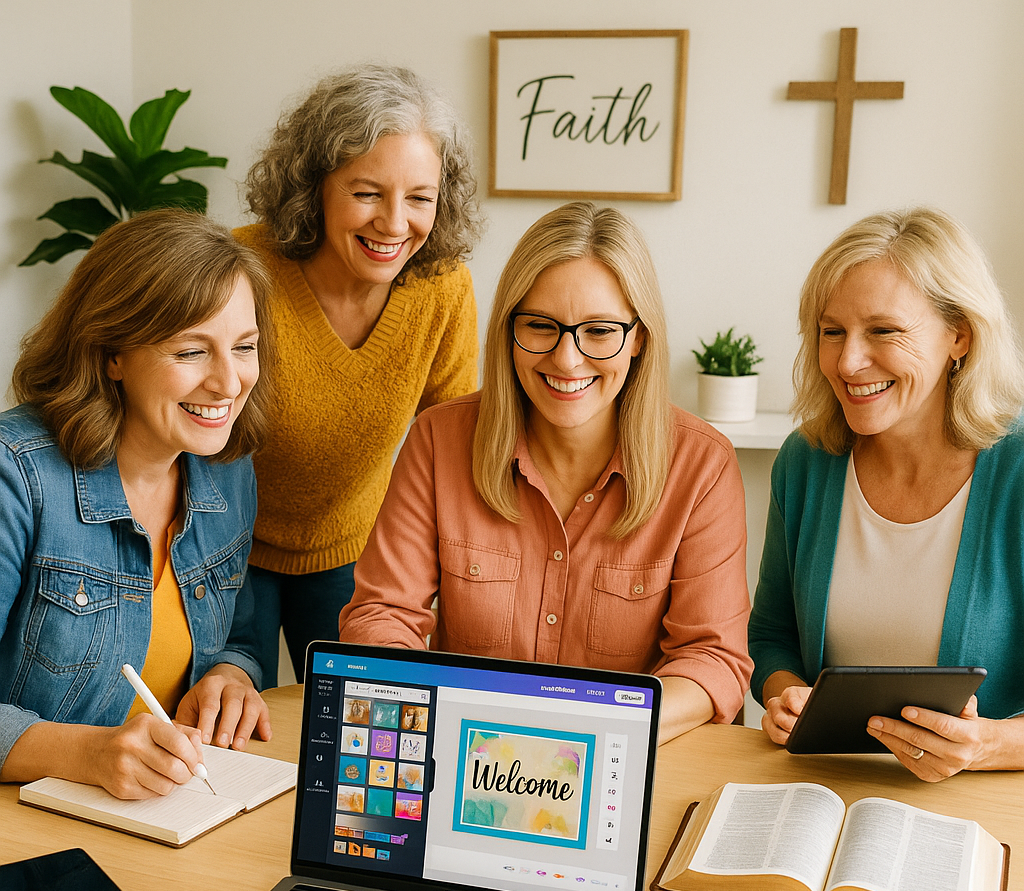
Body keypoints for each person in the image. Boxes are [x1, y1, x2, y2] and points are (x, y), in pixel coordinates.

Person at [339, 202, 752, 743]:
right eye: (540, 326)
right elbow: (382, 616)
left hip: (624, 762)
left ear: (639, 338)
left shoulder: (702, 465)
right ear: (509, 331)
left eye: (599, 332)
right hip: (470, 755)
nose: (567, 359)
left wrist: (588, 734)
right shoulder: (439, 441)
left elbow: (712, 661)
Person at [0, 210, 276, 799]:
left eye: (244, 346)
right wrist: (86, 753)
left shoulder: (228, 470)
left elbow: (242, 636)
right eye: (190, 352)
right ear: (111, 354)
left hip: (168, 815)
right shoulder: (15, 478)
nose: (229, 383)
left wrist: (230, 674)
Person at [749, 207, 1024, 781]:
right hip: (818, 792)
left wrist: (988, 744)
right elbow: (772, 636)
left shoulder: (1015, 471)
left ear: (960, 335)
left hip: (982, 808)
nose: (848, 362)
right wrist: (787, 696)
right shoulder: (806, 461)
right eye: (832, 332)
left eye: (883, 331)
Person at [237, 63, 483, 688]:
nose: (395, 224)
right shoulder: (241, 268)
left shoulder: (443, 287)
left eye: (420, 198)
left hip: (354, 545)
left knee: (358, 728)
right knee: (233, 728)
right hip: (224, 545)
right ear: (313, 187)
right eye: (367, 192)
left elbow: (454, 438)